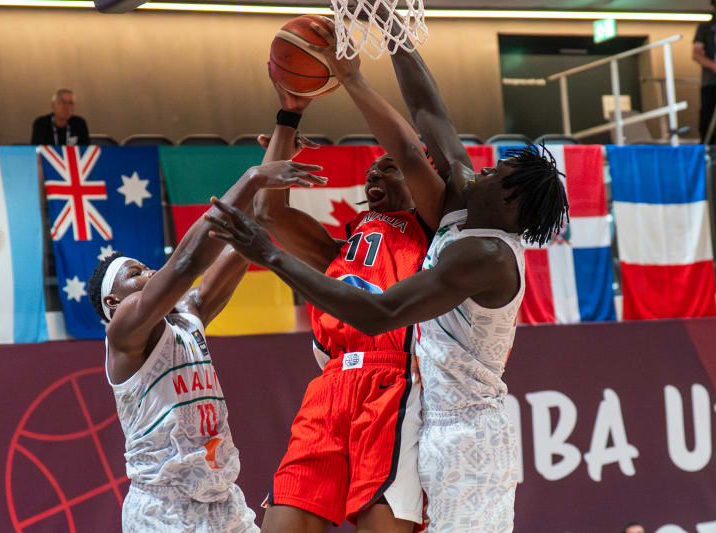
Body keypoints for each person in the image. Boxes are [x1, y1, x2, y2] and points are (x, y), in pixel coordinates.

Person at [206, 21, 569, 533]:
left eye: (494, 174)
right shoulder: (446, 216)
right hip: (341, 385)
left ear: (508, 201)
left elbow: (381, 311)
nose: (477, 170)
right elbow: (427, 114)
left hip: (434, 412)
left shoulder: (478, 249)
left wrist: (271, 256)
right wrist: (393, 33)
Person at [249, 42, 449, 532]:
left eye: (387, 169)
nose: (373, 172)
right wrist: (289, 116)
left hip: (393, 382)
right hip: (331, 385)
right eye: (370, 170)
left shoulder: (432, 225)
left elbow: (406, 149)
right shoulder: (342, 249)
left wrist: (354, 79)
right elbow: (267, 211)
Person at [86, 156, 325, 532]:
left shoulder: (188, 313)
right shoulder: (124, 332)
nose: (148, 272)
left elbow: (250, 233)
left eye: (145, 267)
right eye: (134, 274)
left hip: (224, 501)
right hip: (164, 510)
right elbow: (186, 263)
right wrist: (252, 177)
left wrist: (286, 122)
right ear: (113, 304)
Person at [693, 0, 716, 143]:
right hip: (711, 82)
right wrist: (713, 66)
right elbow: (696, 54)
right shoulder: (706, 28)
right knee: (707, 120)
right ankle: (708, 152)